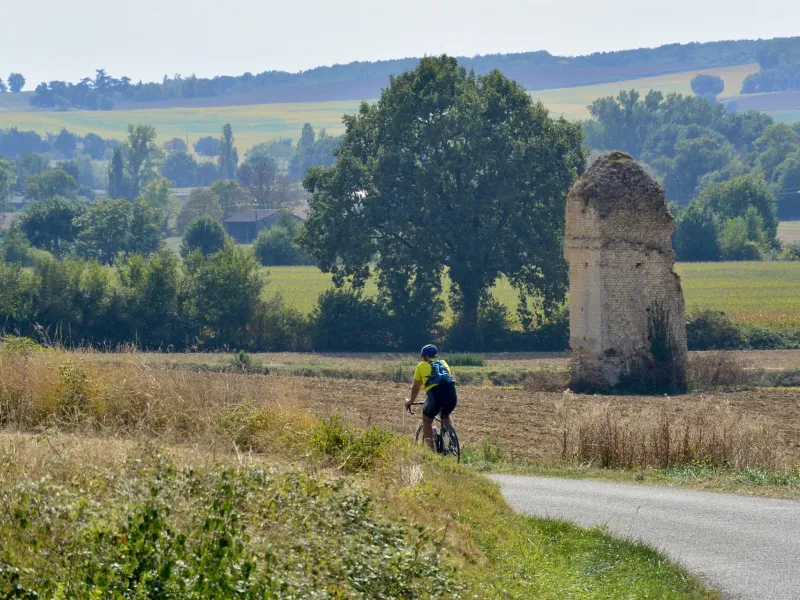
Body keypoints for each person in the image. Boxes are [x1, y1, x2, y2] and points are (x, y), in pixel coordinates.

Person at [405, 344, 457, 450]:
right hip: (451, 394)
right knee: (445, 414)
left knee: (427, 420)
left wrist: (410, 401)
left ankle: (431, 451)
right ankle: (452, 441)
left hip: (435, 396)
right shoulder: (443, 363)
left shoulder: (421, 366)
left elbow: (415, 387)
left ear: (425, 356)